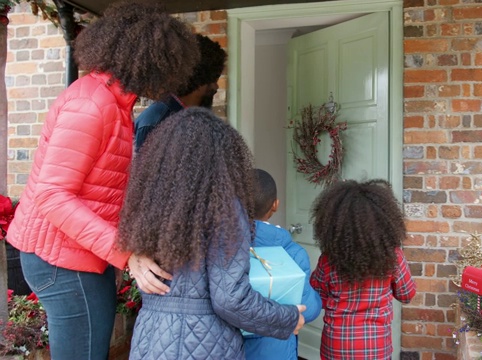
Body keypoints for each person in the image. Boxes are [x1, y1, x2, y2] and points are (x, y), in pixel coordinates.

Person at [5, 2, 200, 359]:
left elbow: (101, 190)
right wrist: (127, 255)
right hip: (60, 260)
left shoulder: (112, 102)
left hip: (77, 255)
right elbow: (53, 195)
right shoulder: (93, 105)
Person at [118, 108, 306, 360]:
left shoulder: (149, 202)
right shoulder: (224, 206)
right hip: (206, 344)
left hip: (150, 338)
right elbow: (230, 299)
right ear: (224, 155)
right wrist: (287, 318)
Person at [309, 179, 417, 360]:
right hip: (375, 346)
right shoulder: (392, 256)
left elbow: (317, 295)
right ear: (384, 221)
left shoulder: (329, 259)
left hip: (336, 345)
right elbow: (407, 294)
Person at [244, 169, 322, 360]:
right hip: (277, 350)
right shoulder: (293, 253)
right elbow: (309, 309)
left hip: (230, 348)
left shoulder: (219, 250)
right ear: (275, 205)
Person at [134, 34, 227, 151]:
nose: (216, 86)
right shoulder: (155, 122)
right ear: (199, 78)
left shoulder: (197, 116)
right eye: (214, 79)